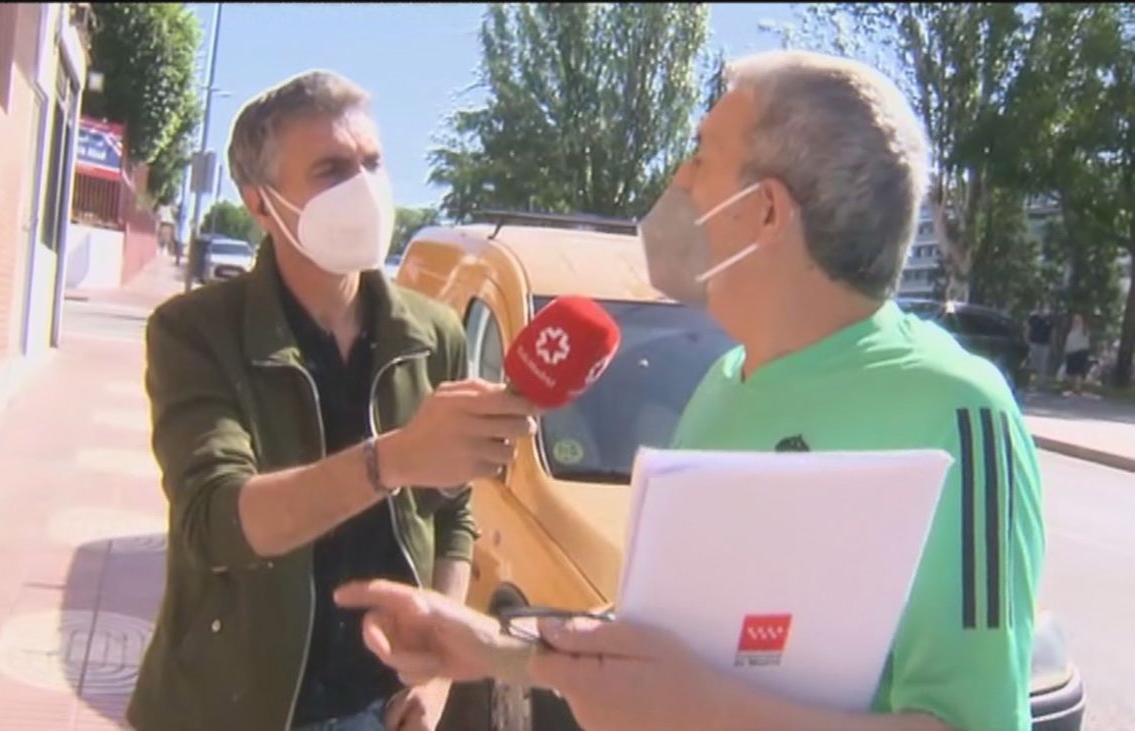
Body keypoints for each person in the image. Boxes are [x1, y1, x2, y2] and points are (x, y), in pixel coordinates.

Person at [337, 50, 1045, 731]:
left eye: (702, 153)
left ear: (767, 211)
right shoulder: (722, 383)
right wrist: (480, 645)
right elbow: (661, 653)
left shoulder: (957, 409)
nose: (679, 177)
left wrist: (703, 711)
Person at [127, 70, 538, 731]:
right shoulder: (194, 333)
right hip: (227, 709)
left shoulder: (432, 332)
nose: (364, 188)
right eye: (331, 169)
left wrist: (433, 667)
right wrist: (394, 459)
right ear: (261, 203)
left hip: (382, 710)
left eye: (372, 163)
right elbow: (216, 523)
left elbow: (452, 512)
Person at [1025, 301, 1054, 390]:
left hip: (1045, 344)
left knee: (1043, 365)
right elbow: (1028, 328)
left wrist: (1052, 342)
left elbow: (1053, 332)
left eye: (1043, 305)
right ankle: (1030, 384)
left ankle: (1040, 386)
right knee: (1032, 365)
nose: (1041, 307)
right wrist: (1026, 340)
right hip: (1034, 342)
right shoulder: (1033, 317)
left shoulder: (1050, 318)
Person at [1062, 313, 1091, 395]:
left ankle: (1077, 389)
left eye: (1078, 319)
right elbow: (1068, 342)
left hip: (1080, 352)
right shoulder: (1072, 330)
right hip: (1071, 353)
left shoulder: (1084, 329)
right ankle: (1074, 388)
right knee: (1071, 372)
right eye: (1075, 319)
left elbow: (1086, 337)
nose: (1076, 321)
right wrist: (1066, 350)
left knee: (1078, 372)